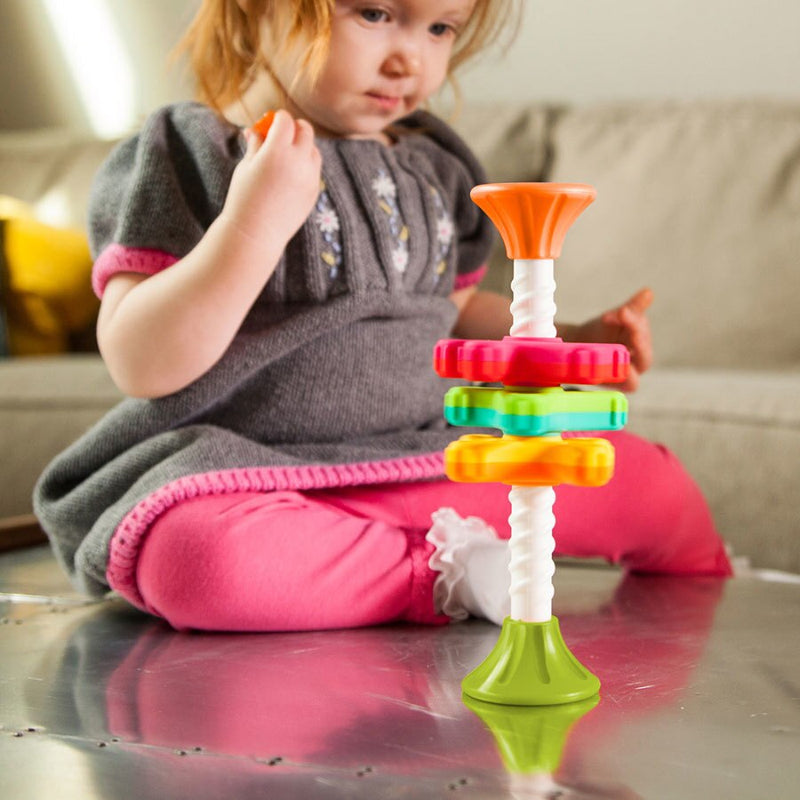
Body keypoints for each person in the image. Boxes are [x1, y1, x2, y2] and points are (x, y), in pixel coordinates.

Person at [34, 0, 731, 633]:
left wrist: (572, 342)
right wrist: (250, 227)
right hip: (253, 479)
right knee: (199, 561)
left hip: (427, 461)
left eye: (440, 29)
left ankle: (443, 560)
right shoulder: (185, 154)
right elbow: (140, 361)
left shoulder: (434, 164)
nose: (410, 60)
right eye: (373, 13)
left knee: (651, 483)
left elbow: (449, 311)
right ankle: (438, 576)